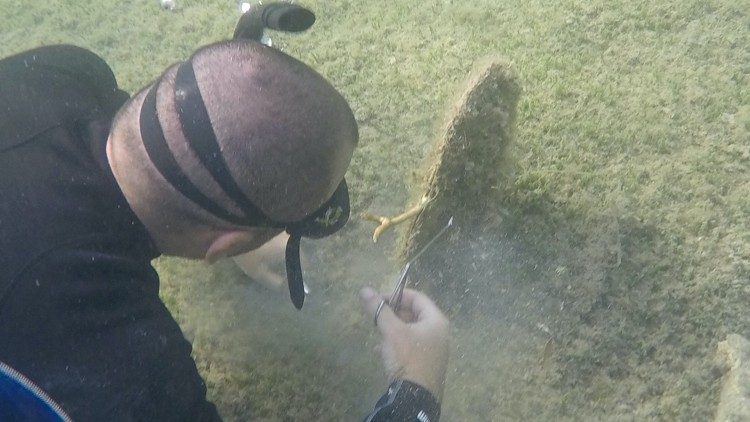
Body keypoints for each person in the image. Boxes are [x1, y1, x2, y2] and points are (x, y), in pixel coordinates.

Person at [0, 2, 449, 420]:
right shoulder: (119, 359)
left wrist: (232, 215)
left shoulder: (62, 71)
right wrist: (414, 391)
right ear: (224, 241)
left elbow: (181, 129)